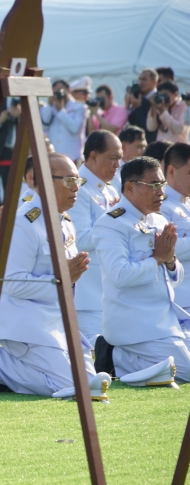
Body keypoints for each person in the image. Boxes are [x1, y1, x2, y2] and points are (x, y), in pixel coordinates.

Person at [0, 153, 110, 398]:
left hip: (57, 322)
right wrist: (60, 278)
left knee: (89, 380)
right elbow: (11, 283)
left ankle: (0, 366)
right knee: (70, 385)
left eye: (78, 181)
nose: (76, 187)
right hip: (26, 325)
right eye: (68, 181)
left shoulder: (65, 221)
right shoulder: (24, 222)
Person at [93, 156, 190, 387]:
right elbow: (120, 274)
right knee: (186, 371)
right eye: (154, 185)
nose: (161, 192)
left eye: (162, 185)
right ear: (130, 187)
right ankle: (115, 357)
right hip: (135, 325)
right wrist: (157, 258)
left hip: (164, 320)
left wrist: (168, 261)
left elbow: (174, 277)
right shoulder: (110, 223)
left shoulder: (157, 219)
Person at [68, 130, 122, 345]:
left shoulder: (108, 190)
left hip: (107, 291)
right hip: (87, 294)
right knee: (91, 357)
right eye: (113, 158)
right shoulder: (78, 189)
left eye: (119, 158)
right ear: (93, 156)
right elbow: (79, 239)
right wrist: (113, 224)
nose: (117, 164)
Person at [161, 143, 190, 319]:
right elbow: (167, 247)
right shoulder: (162, 206)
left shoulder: (186, 202)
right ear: (171, 171)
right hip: (181, 299)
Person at [40, 79, 86, 163]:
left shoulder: (79, 107)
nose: (58, 93)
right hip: (55, 154)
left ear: (68, 89)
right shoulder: (51, 108)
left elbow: (75, 128)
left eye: (60, 89)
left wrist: (61, 111)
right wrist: (50, 105)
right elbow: (44, 125)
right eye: (55, 91)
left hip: (72, 156)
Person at [0, 98, 22, 206]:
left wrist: (20, 117)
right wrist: (0, 121)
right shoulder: (0, 101)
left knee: (13, 188)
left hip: (19, 152)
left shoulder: (25, 99)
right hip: (1, 153)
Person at [127, 68, 159, 144]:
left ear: (154, 82)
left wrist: (138, 108)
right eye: (139, 79)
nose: (140, 83)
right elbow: (131, 122)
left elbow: (148, 128)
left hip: (152, 142)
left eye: (144, 79)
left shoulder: (158, 99)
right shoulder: (138, 97)